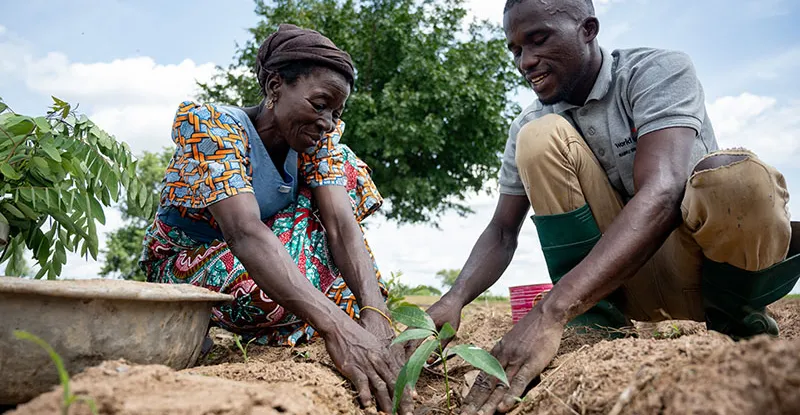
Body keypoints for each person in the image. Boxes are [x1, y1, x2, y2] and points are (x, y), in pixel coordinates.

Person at [420, 0, 800, 413]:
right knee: (538, 136)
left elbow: (663, 190)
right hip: (609, 286)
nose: (525, 61)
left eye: (538, 39)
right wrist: (454, 299)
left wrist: (550, 310)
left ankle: (738, 321)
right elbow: (502, 230)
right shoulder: (529, 120)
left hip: (700, 274)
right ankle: (598, 327)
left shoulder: (657, 72)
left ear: (588, 29)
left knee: (739, 177)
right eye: (514, 49)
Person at [139, 24, 410, 414]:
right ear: (274, 86)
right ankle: (233, 323)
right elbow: (244, 232)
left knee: (343, 174)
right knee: (270, 297)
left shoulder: (316, 142)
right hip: (189, 266)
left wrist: (376, 314)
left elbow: (341, 225)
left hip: (266, 254)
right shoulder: (211, 126)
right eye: (319, 105)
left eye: (336, 111)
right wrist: (338, 329)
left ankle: (328, 321)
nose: (328, 121)